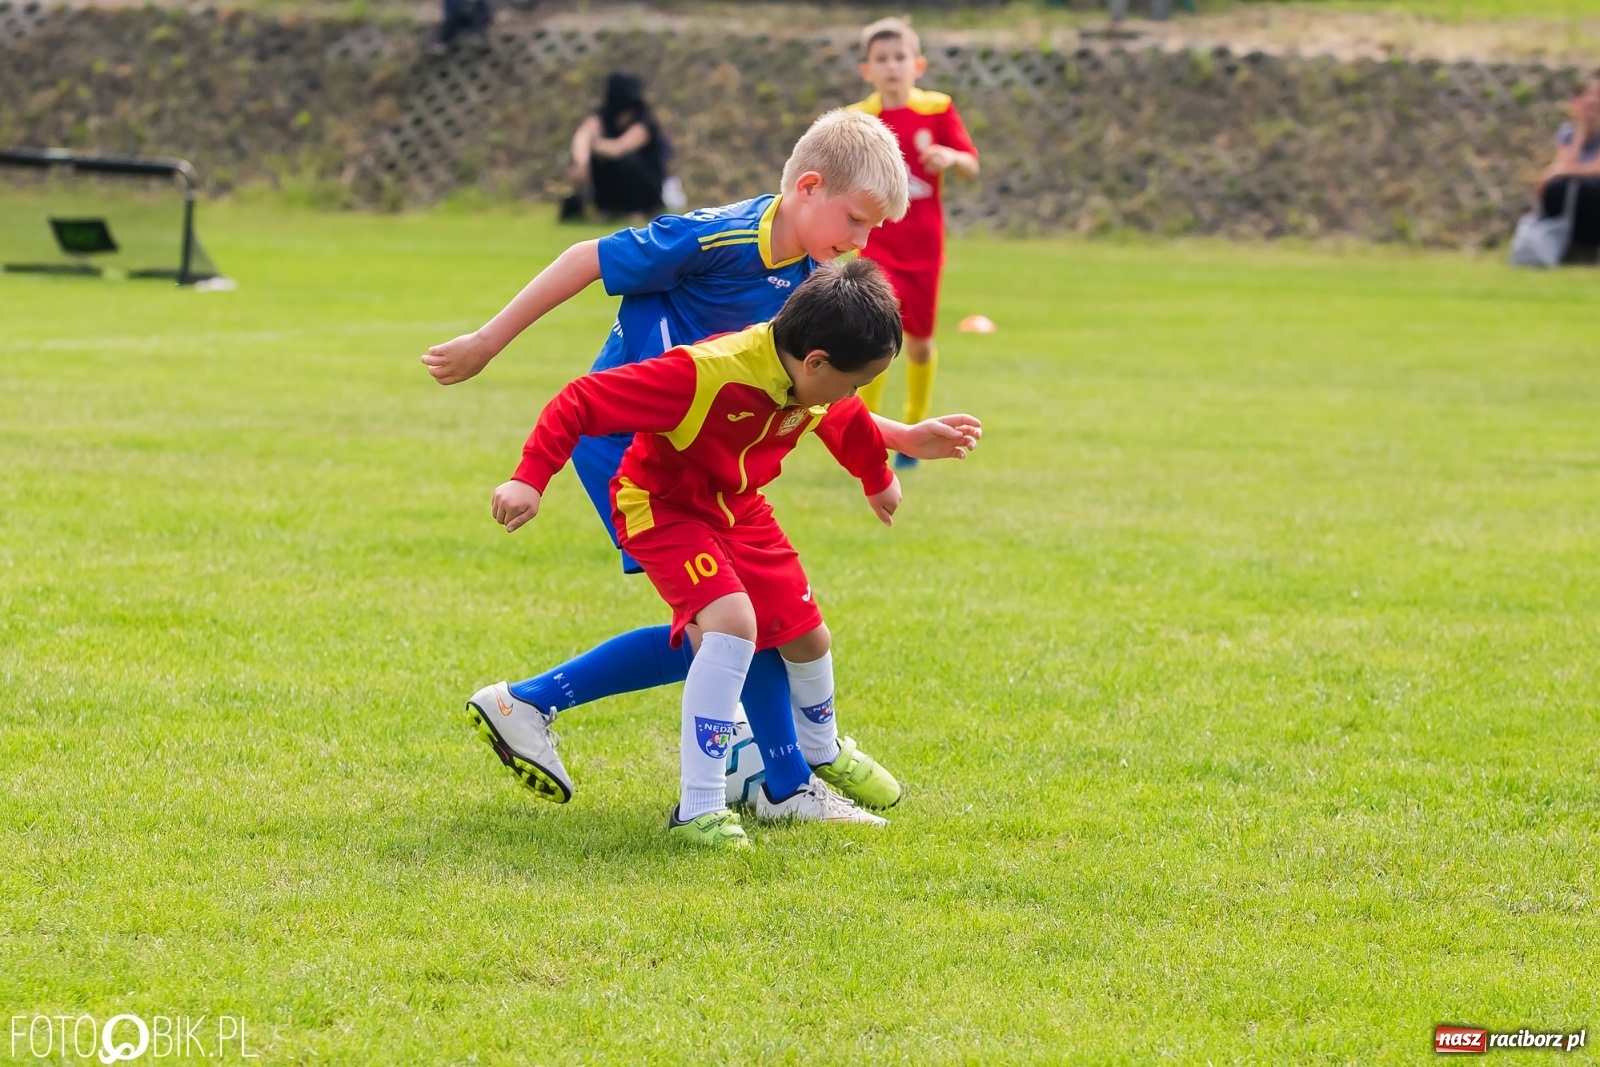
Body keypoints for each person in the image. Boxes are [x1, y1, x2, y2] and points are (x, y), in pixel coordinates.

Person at [422, 110, 982, 822]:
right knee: (728, 624)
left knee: (734, 624)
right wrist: (487, 341)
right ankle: (782, 777)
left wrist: (899, 434)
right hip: (633, 448)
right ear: (807, 188)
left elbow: (802, 396)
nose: (862, 244)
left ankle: (771, 770)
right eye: (857, 221)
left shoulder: (813, 279)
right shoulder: (716, 238)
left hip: (706, 458)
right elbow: (586, 258)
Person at [491, 260, 907, 848]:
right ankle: (701, 807)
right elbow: (581, 401)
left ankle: (816, 757)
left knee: (806, 634)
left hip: (738, 507)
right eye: (856, 380)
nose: (855, 394)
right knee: (732, 625)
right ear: (815, 362)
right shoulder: (704, 373)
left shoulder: (813, 377)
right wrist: (530, 479)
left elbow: (842, 415)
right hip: (663, 506)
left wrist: (875, 475)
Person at [848, 17, 980, 469]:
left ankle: (917, 422)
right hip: (876, 245)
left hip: (923, 249)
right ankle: (869, 430)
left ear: (917, 64)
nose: (892, 67)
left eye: (899, 58)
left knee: (920, 343)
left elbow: (970, 166)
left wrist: (951, 157)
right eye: (881, 60)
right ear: (867, 70)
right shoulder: (859, 120)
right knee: (875, 338)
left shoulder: (938, 109)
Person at [563, 73, 672, 221]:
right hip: (612, 182)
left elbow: (620, 148)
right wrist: (582, 163)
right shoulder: (603, 116)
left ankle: (637, 211)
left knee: (628, 162)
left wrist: (593, 144)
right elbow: (583, 136)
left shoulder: (644, 121)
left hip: (646, 185)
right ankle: (605, 209)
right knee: (596, 161)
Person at [1536, 74, 1600, 261]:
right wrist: (1580, 132)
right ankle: (1565, 244)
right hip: (1577, 191)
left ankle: (1591, 247)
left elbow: (1597, 168)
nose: (1592, 100)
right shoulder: (1568, 131)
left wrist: (1558, 170)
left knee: (1590, 188)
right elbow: (1566, 161)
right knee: (1556, 187)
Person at [426, 0, 490, 55]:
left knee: (482, 15)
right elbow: (448, 12)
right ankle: (442, 42)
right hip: (457, 18)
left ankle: (476, 35)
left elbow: (485, 8)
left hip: (475, 18)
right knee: (452, 19)